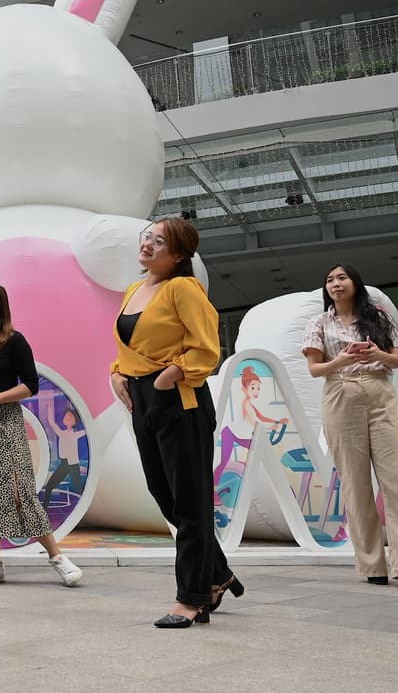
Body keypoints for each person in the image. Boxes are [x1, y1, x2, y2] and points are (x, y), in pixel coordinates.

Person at [110, 217, 240, 629]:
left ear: (180, 254)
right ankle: (216, 574)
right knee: (165, 495)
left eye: (159, 241)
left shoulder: (183, 288)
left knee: (189, 500)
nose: (148, 244)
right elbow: (130, 345)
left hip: (179, 398)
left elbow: (206, 347)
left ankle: (192, 598)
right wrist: (116, 372)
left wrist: (176, 373)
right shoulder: (135, 289)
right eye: (147, 237)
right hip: (142, 398)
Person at [301, 263, 398, 591]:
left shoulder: (377, 317)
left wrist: (376, 352)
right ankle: (371, 565)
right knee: (355, 483)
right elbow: (315, 369)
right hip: (340, 393)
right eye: (330, 279)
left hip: (379, 391)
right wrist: (343, 360)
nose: (335, 283)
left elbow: (395, 360)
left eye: (342, 277)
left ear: (355, 283)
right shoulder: (318, 323)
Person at [0, 281, 83, 588]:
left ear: (0, 308)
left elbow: (31, 384)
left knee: (19, 492)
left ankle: (58, 558)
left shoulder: (14, 341)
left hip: (5, 422)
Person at [42, 409, 85, 508]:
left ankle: (84, 507)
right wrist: (50, 408)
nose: (67, 418)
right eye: (66, 416)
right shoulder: (61, 433)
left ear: (75, 421)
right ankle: (44, 509)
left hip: (73, 465)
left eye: (70, 417)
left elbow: (86, 431)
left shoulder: (75, 434)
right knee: (49, 486)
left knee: (79, 489)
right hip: (64, 464)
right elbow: (51, 422)